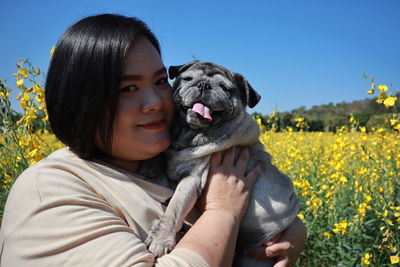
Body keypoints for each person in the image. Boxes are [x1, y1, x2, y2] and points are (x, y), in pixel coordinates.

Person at [0, 14, 306, 266]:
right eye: (128, 89)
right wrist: (223, 212)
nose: (156, 102)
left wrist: (291, 229)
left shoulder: (166, 161)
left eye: (161, 82)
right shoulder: (50, 192)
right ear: (81, 103)